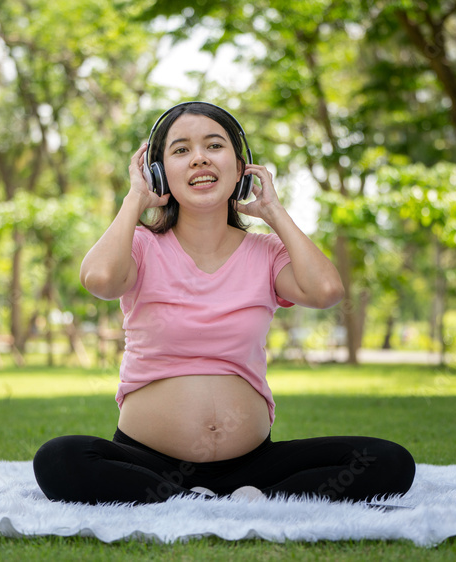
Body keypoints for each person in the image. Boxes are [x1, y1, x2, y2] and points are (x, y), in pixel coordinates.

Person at [33, 101, 415, 504]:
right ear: (159, 173)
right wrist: (135, 199)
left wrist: (273, 211)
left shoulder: (266, 252)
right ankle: (207, 501)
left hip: (252, 464)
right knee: (60, 458)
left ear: (240, 167)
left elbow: (325, 291)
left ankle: (231, 499)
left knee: (389, 461)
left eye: (214, 146)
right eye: (180, 150)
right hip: (149, 460)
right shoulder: (141, 246)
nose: (199, 158)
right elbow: (100, 279)